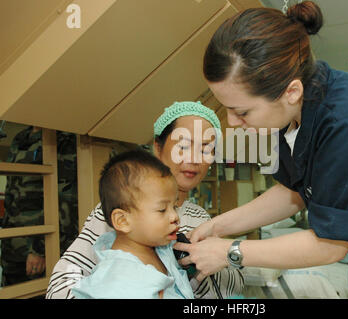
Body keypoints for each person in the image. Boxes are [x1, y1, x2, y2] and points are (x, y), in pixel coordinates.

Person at [174, 2, 348, 298]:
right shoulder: (294, 113)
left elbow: (331, 244)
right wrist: (216, 226)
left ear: (291, 92)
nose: (232, 122)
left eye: (242, 111)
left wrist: (230, 251)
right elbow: (295, 192)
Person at [46, 101, 244, 299]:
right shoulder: (124, 211)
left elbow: (232, 287)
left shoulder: (200, 217)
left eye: (205, 150)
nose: (194, 159)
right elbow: (61, 283)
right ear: (158, 147)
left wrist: (198, 271)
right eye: (183, 146)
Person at [70, 150, 193, 299]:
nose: (175, 216)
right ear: (122, 221)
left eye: (174, 206)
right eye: (162, 210)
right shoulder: (117, 281)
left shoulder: (159, 248)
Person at [1, 126, 78, 287]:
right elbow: (12, 193)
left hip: (41, 247)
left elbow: (66, 200)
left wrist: (40, 250)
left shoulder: (64, 138)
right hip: (13, 249)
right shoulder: (20, 138)